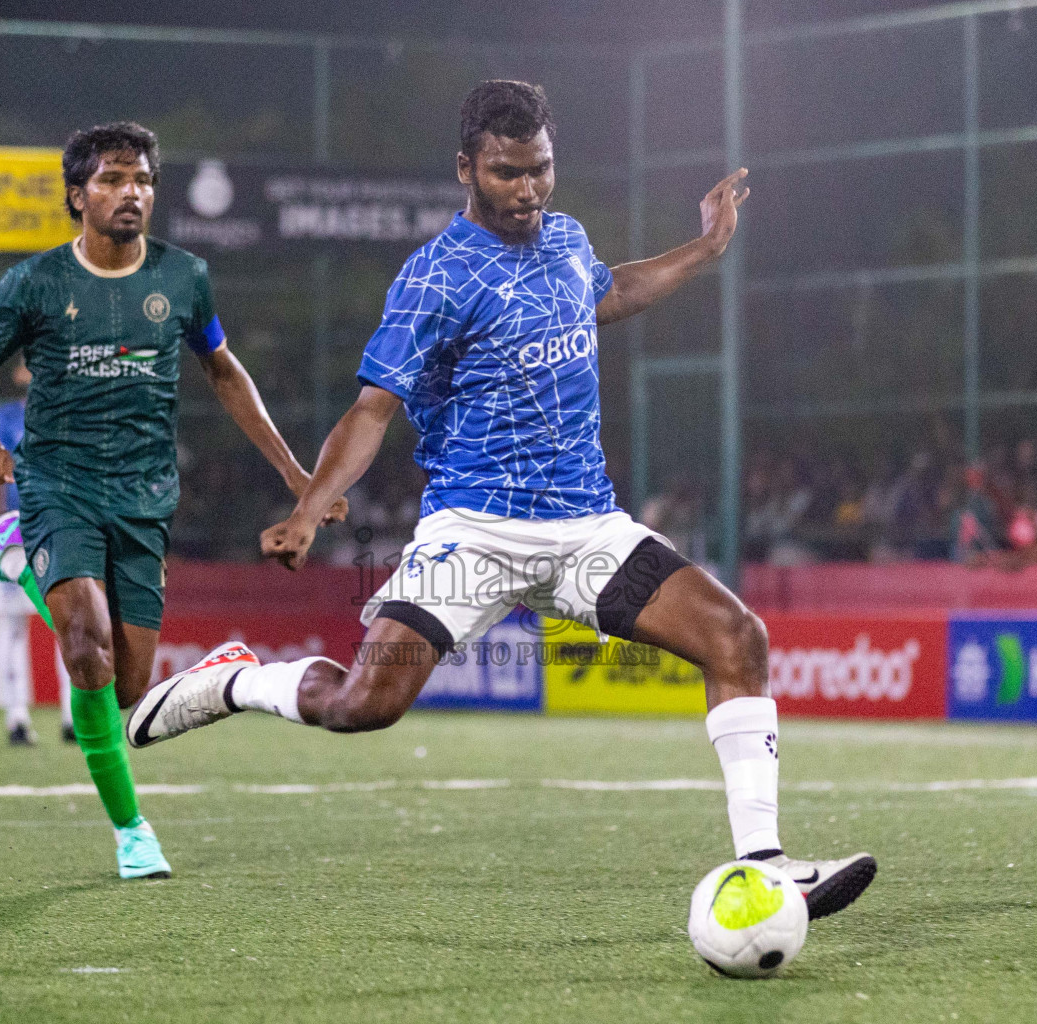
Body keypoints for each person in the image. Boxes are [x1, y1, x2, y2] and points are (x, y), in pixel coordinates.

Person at [131, 81, 876, 920]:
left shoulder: (565, 238)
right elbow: (374, 408)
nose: (528, 191)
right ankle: (236, 683)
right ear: (466, 169)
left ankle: (769, 866)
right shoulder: (435, 278)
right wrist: (310, 505)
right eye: (508, 173)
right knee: (361, 707)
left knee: (738, 637)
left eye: (542, 170)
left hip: (587, 527)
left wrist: (703, 249)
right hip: (473, 531)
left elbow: (610, 294)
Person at [0, 122, 345, 880]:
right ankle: (133, 832)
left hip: (144, 494)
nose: (133, 193)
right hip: (58, 482)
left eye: (144, 181)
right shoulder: (33, 283)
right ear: (77, 195)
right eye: (114, 179)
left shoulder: (184, 277)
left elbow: (224, 372)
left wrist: (297, 475)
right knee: (85, 652)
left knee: (130, 696)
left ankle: (9, 557)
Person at [0, 356, 75, 746]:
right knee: (14, 628)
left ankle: (73, 717)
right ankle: (17, 718)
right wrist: (0, 527)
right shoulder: (3, 417)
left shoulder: (68, 415)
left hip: (58, 529)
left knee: (67, 623)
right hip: (16, 531)